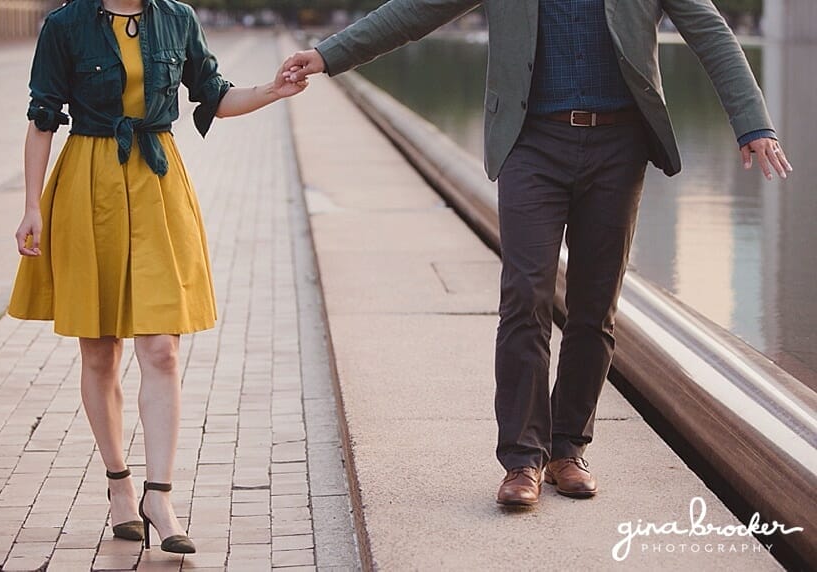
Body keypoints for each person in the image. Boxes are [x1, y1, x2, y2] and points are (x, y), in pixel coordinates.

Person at [281, 0, 792, 507]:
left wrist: (754, 124)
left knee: (595, 308)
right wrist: (330, 55)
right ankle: (523, 459)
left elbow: (711, 33)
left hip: (620, 145)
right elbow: (418, 10)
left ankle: (568, 450)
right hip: (531, 142)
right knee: (525, 295)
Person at [6, 0, 307, 554]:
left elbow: (213, 94)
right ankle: (120, 486)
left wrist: (271, 91)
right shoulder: (64, 26)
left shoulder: (177, 18)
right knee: (99, 350)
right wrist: (32, 205)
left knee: (162, 349)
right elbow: (42, 117)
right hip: (87, 183)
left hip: (157, 179)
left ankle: (160, 496)